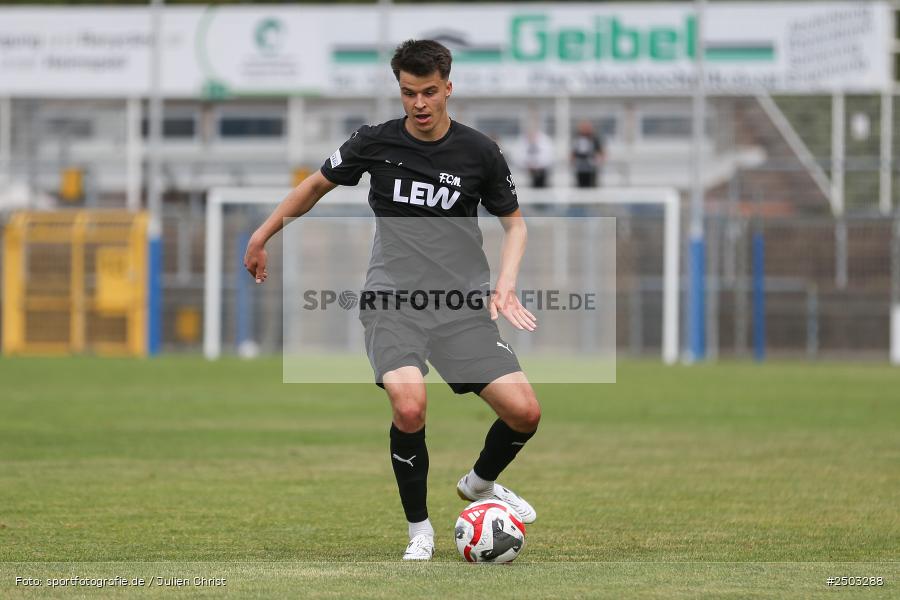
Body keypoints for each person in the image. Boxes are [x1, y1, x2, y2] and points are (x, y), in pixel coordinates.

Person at [243, 39, 541, 562]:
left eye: (429, 92)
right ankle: (419, 531)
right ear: (399, 90)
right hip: (393, 301)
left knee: (525, 413)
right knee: (410, 406)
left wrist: (506, 282)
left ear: (449, 87)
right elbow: (314, 186)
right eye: (408, 93)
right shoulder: (374, 143)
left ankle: (477, 485)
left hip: (460, 308)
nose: (419, 104)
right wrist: (261, 234)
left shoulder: (479, 152)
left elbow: (514, 226)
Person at [571, 120, 604, 188]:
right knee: (580, 185)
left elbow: (600, 151)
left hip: (591, 166)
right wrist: (573, 160)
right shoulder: (577, 138)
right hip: (580, 166)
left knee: (592, 185)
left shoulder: (595, 138)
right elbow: (573, 152)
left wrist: (599, 160)